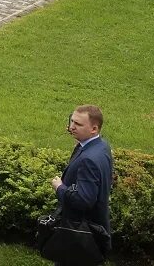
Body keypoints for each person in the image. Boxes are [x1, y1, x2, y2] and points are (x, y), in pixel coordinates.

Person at [49, 105, 113, 260]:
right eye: (71, 121)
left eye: (78, 124)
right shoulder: (101, 146)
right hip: (92, 233)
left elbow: (83, 200)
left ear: (94, 129)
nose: (71, 127)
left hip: (80, 237)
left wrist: (60, 188)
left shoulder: (89, 159)